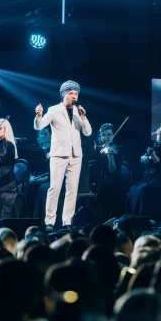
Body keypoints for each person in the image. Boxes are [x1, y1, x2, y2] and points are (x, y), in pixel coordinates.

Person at [33, 80, 92, 231]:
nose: (74, 96)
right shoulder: (53, 110)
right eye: (71, 93)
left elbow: (88, 132)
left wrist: (84, 118)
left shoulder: (79, 112)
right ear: (64, 94)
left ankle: (67, 222)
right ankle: (50, 222)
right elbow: (39, 126)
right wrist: (38, 115)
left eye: (76, 93)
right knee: (55, 188)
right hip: (59, 154)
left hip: (76, 155)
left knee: (72, 190)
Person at [127, 126, 161, 221]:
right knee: (133, 188)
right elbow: (144, 159)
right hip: (152, 178)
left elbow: (160, 164)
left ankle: (143, 218)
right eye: (157, 135)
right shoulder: (156, 147)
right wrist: (144, 158)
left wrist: (152, 155)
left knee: (143, 190)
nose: (158, 137)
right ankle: (132, 218)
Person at [91, 123, 129, 221]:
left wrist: (110, 156)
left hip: (115, 183)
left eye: (109, 134)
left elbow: (113, 171)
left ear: (113, 136)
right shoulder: (97, 150)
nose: (106, 137)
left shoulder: (118, 149)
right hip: (100, 183)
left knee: (107, 189)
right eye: (103, 135)